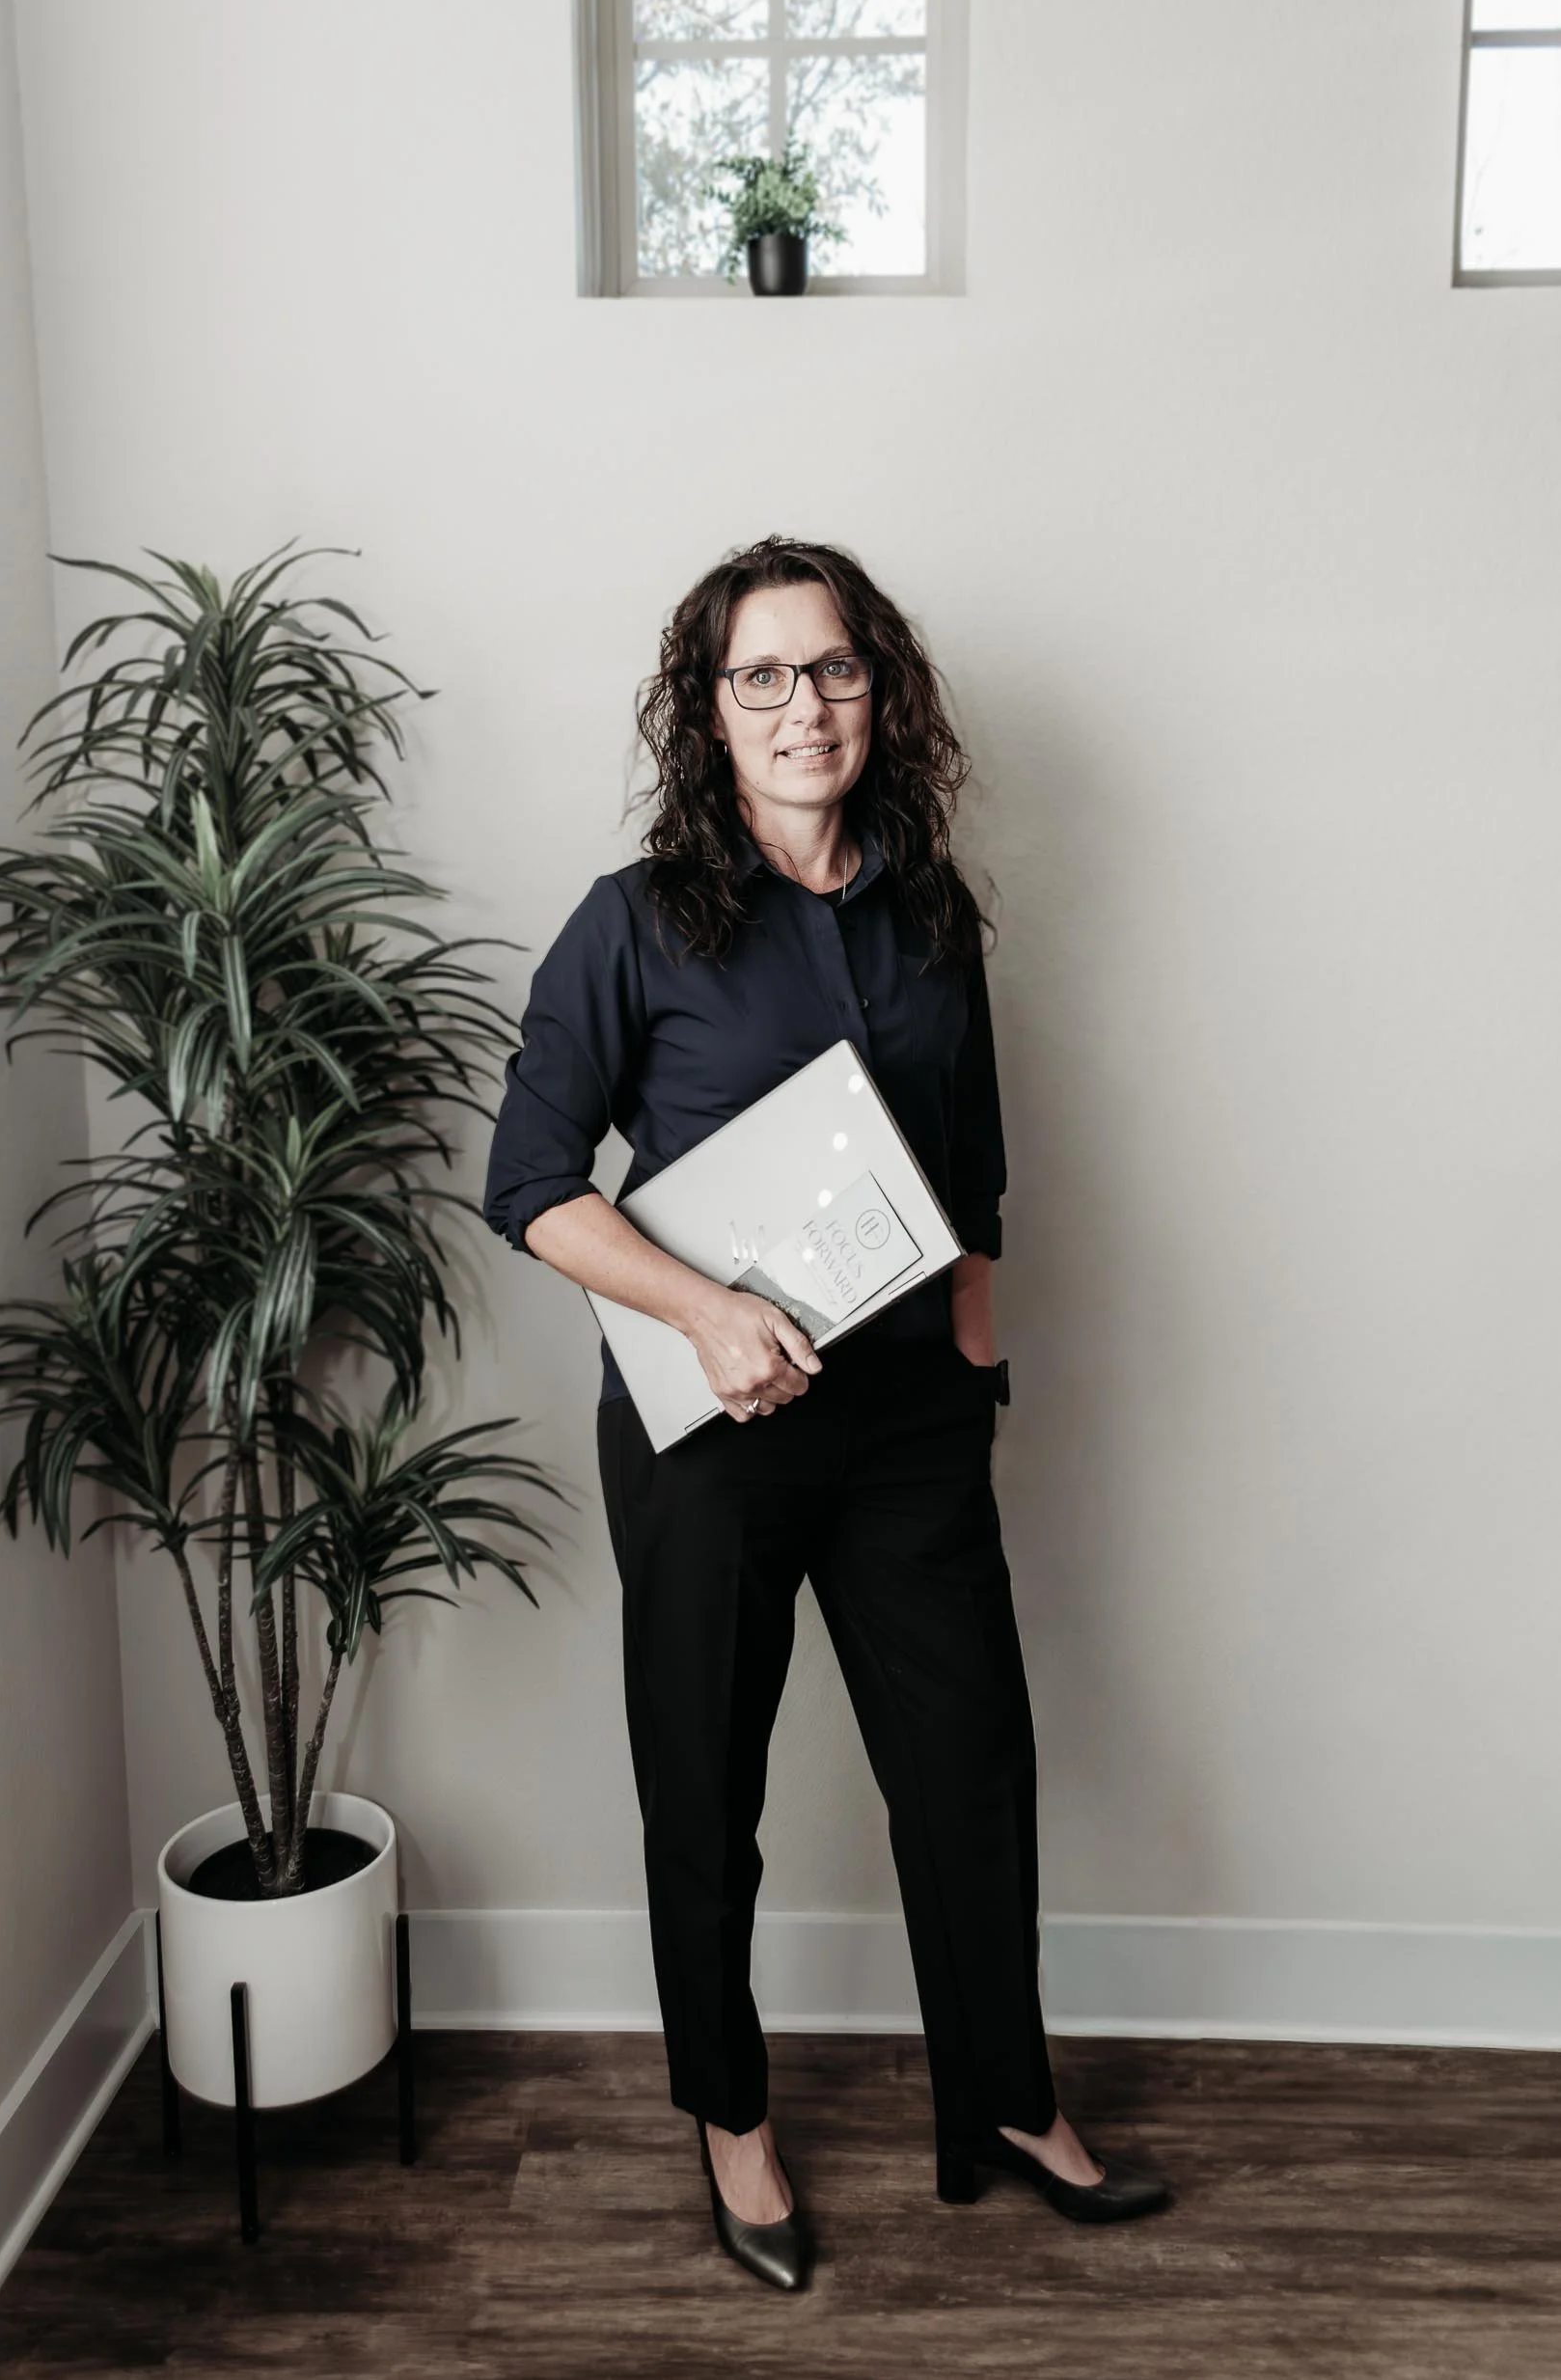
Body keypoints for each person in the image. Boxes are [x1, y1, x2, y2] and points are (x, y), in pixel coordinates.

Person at [482, 536, 1171, 2290]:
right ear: (708, 714)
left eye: (836, 669)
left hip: (910, 1433)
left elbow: (981, 1176)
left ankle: (1005, 2101)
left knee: (972, 1775)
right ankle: (732, 2124)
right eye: (762, 677)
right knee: (704, 1792)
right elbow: (530, 1184)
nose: (805, 706)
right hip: (710, 1441)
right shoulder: (630, 921)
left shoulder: (933, 908)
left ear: (885, 693)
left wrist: (975, 1372)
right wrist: (705, 1314)